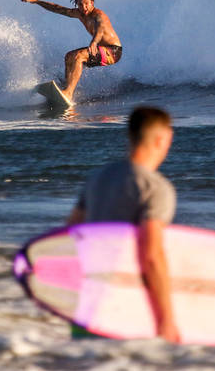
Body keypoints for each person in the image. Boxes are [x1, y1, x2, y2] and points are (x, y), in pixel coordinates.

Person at [65, 106, 180, 343]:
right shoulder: (155, 188)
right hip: (125, 310)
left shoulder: (98, 177)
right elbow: (151, 255)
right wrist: (166, 318)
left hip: (85, 307)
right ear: (162, 138)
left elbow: (71, 234)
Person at [21, 0, 123, 102]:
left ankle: (68, 93)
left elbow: (100, 28)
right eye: (80, 4)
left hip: (113, 52)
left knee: (78, 56)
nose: (84, 7)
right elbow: (57, 8)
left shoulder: (99, 15)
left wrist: (94, 42)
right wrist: (37, 1)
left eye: (86, 4)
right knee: (69, 56)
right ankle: (66, 89)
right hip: (101, 49)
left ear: (92, 3)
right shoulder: (79, 14)